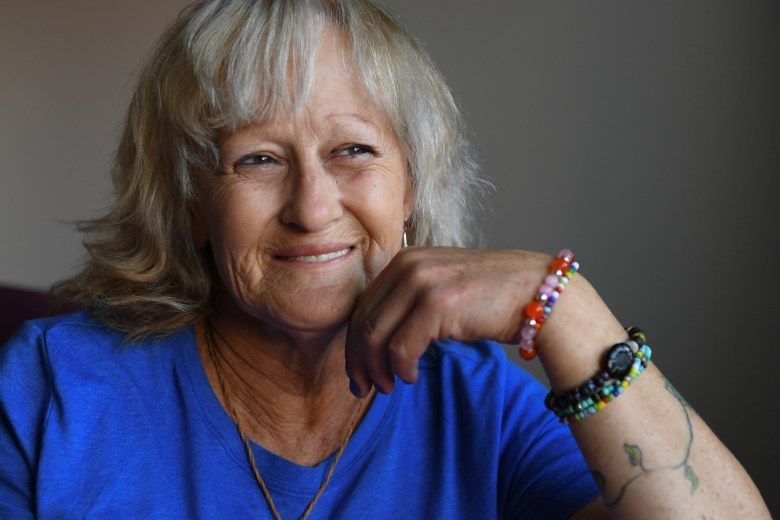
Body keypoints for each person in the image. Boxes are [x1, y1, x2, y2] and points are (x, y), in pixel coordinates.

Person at [0, 0, 770, 518]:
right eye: (258, 159)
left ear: (412, 187)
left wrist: (567, 306)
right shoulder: (55, 389)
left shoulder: (482, 407)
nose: (311, 206)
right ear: (193, 204)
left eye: (353, 150)